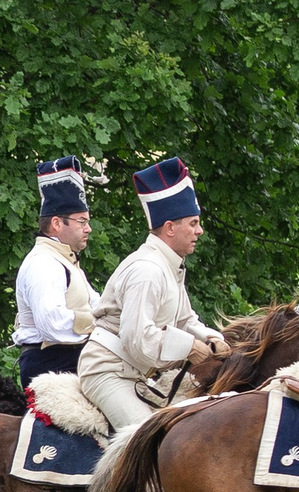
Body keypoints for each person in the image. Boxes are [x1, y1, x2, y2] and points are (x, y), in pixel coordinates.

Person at [77, 155, 227, 434]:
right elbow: (138, 339)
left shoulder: (168, 265)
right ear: (170, 228)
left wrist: (211, 338)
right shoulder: (147, 271)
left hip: (136, 375)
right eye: (193, 223)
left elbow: (184, 320)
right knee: (149, 442)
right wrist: (190, 347)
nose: (200, 231)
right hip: (108, 373)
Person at [11, 157, 98, 385]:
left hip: (73, 358)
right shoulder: (43, 264)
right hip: (51, 365)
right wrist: (100, 325)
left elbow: (97, 304)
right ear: (57, 223)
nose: (88, 228)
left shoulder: (65, 261)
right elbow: (53, 324)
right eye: (81, 221)